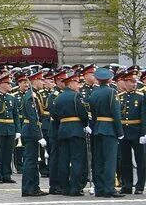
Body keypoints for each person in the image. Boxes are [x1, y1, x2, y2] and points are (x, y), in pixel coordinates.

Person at [50, 72, 90, 197]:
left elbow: (55, 115)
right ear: (71, 83)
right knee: (77, 159)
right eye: (77, 83)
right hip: (76, 130)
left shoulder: (58, 97)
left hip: (63, 130)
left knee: (64, 159)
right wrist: (85, 124)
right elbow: (82, 113)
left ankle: (65, 187)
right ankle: (75, 187)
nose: (79, 86)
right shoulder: (75, 96)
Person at [87, 67, 123, 198]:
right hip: (109, 128)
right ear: (109, 79)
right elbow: (116, 113)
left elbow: (94, 114)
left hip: (98, 128)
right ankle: (109, 188)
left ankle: (100, 188)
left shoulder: (94, 93)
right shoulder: (112, 92)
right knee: (110, 160)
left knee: (99, 160)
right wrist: (120, 131)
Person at [19, 70, 49, 197]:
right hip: (31, 131)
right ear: (35, 81)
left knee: (33, 161)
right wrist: (39, 136)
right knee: (30, 161)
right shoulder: (32, 96)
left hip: (31, 130)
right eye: (41, 80)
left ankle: (34, 187)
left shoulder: (34, 94)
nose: (43, 82)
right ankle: (28, 188)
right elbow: (33, 118)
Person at [115, 69, 144, 195]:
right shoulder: (119, 97)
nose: (134, 84)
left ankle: (140, 185)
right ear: (125, 82)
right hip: (124, 131)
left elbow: (144, 116)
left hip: (137, 131)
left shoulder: (141, 96)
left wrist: (144, 133)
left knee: (141, 160)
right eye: (131, 81)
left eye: (135, 81)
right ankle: (127, 185)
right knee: (125, 160)